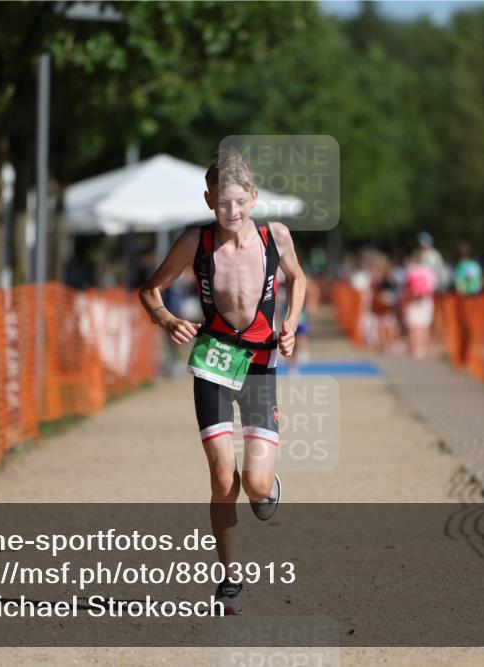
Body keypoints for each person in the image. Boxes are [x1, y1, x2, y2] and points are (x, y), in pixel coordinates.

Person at [138, 149, 306, 616]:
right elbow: (149, 290)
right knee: (220, 476)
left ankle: (267, 487)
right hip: (213, 359)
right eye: (222, 203)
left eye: (239, 202)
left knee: (253, 484)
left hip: (259, 362)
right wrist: (167, 318)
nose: (231, 212)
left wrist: (290, 322)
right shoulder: (197, 241)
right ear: (209, 200)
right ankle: (230, 578)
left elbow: (298, 277)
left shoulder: (277, 236)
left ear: (253, 198)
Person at [402, 249, 437, 359]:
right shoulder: (429, 271)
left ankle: (414, 349)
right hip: (425, 300)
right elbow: (433, 287)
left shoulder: (411, 270)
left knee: (413, 326)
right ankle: (423, 349)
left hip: (412, 300)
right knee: (424, 326)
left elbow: (406, 285)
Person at [452, 243, 483, 365]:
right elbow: (480, 282)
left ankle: (465, 356)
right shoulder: (475, 265)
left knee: (465, 328)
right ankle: (470, 356)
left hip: (465, 300)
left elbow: (459, 284)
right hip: (476, 299)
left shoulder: (461, 266)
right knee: (472, 327)